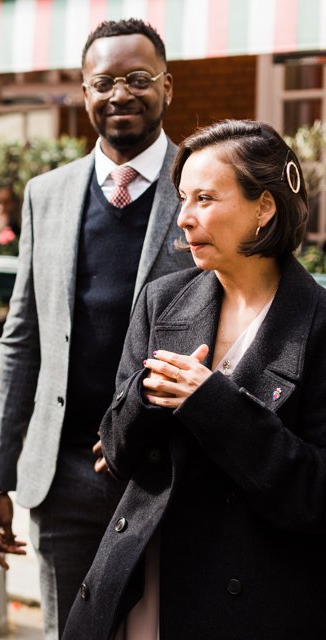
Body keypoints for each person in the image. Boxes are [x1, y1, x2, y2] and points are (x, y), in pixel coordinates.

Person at [65, 119, 326, 638]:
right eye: (182, 198)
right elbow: (115, 453)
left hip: (251, 596)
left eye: (204, 199)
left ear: (263, 208)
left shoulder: (317, 323)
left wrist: (212, 402)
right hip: (146, 577)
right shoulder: (163, 298)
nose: (183, 218)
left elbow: (314, 495)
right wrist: (144, 394)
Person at [0, 19, 194, 638]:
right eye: (104, 82)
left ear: (167, 87)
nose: (120, 93)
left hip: (168, 471)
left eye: (137, 79)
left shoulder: (200, 188)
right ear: (84, 90)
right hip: (63, 476)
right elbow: (20, 341)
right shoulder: (46, 194)